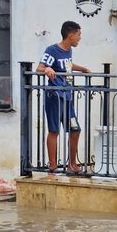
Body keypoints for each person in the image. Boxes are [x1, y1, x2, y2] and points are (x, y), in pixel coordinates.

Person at [36, 21, 90, 173]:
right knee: (54, 130)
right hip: (54, 96)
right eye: (78, 35)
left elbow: (68, 65)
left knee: (75, 129)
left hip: (67, 97)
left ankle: (72, 164)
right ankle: (52, 164)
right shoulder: (52, 50)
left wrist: (82, 69)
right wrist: (47, 68)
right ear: (71, 35)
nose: (80, 38)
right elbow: (39, 67)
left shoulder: (68, 51)